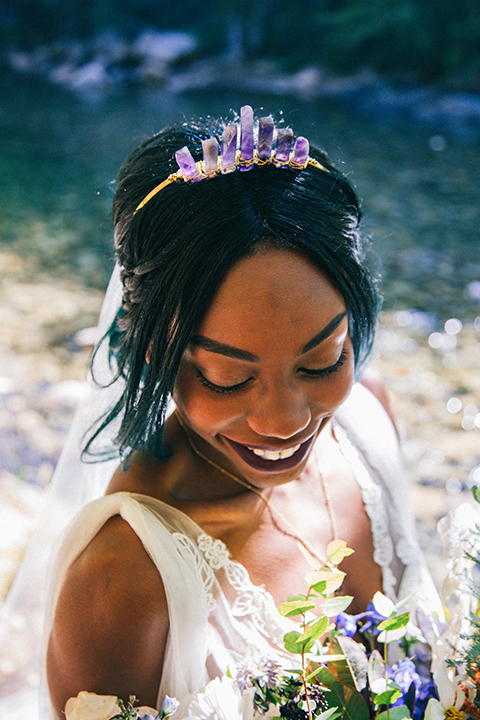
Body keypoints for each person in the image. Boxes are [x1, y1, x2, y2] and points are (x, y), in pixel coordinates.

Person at [0, 106, 440, 720]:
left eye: (322, 361)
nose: (284, 421)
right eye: (228, 377)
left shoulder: (370, 419)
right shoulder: (121, 582)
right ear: (156, 351)